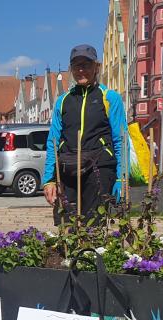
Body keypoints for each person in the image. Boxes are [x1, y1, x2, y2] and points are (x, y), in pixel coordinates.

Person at [42, 44, 129, 224]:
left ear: (96, 67)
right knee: (66, 224)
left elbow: (121, 140)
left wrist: (122, 177)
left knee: (94, 224)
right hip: (68, 168)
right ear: (71, 69)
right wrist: (49, 179)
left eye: (86, 65)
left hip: (99, 168)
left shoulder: (109, 98)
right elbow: (53, 141)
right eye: (76, 66)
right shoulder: (63, 101)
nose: (81, 70)